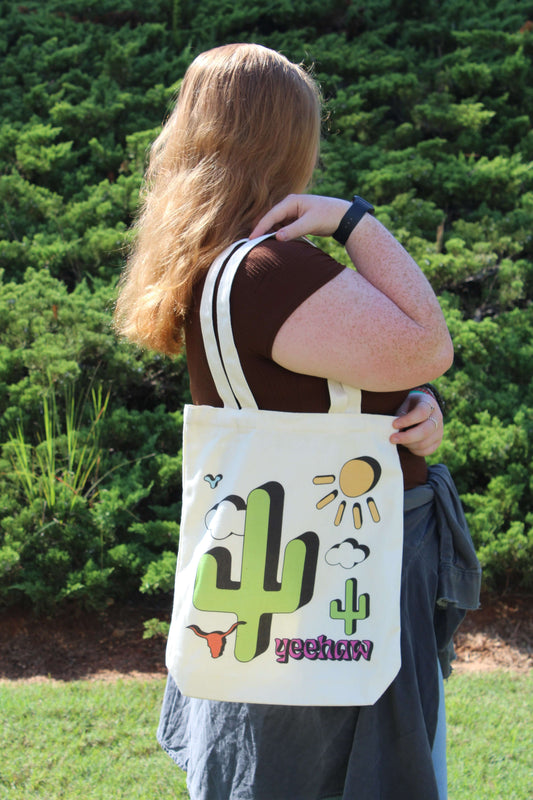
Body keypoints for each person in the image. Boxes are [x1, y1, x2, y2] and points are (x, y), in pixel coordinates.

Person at [115, 43, 480, 800]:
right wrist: (354, 222)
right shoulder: (269, 268)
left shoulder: (214, 263)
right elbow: (428, 345)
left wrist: (408, 408)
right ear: (289, 140)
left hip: (273, 553)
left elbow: (313, 384)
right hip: (354, 561)